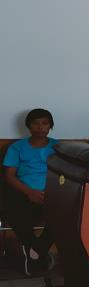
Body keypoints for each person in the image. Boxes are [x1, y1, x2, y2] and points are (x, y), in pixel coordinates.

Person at [2, 109, 58, 274]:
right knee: (13, 207)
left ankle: (37, 249)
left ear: (50, 126)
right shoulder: (17, 147)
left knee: (69, 213)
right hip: (23, 192)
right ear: (28, 126)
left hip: (53, 193)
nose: (40, 127)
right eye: (35, 123)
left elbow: (66, 173)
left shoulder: (59, 147)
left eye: (45, 123)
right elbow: (9, 176)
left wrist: (51, 192)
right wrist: (29, 192)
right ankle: (34, 250)